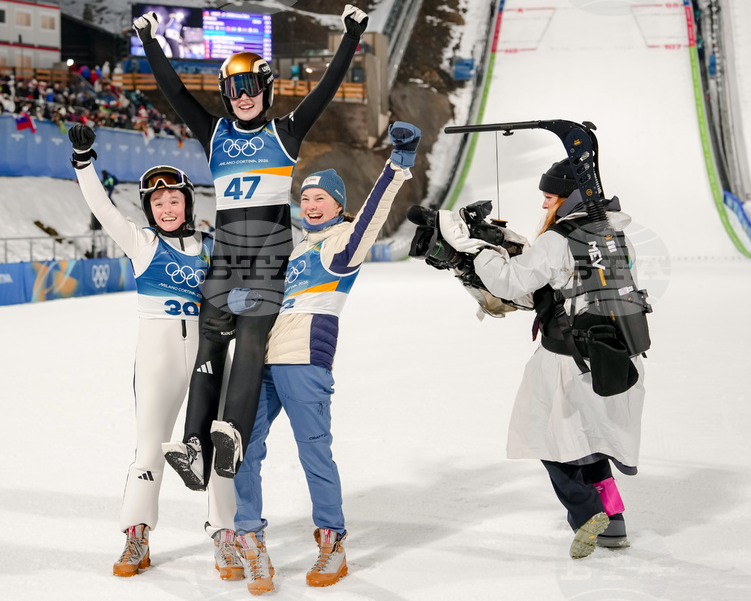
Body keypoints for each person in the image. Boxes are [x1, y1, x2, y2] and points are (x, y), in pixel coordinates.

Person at [133, 4, 370, 491]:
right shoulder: (214, 132)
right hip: (224, 258)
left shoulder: (285, 132)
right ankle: (196, 448)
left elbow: (324, 90)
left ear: (265, 90)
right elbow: (175, 92)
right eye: (233, 89)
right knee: (210, 342)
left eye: (251, 88)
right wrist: (152, 42)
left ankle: (233, 434)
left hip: (268, 258)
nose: (242, 97)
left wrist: (349, 37)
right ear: (225, 93)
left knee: (250, 347)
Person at [230, 122, 420, 595]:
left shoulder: (342, 245)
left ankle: (332, 541)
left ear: (338, 204)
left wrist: (398, 165)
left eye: (321, 198)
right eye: (307, 198)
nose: (312, 205)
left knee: (313, 451)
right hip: (268, 361)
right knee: (245, 448)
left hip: (306, 361)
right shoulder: (297, 250)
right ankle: (250, 536)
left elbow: (374, 215)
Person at [437, 158, 646, 559]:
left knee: (547, 436)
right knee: (591, 441)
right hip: (615, 352)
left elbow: (510, 281)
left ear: (571, 197)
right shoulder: (617, 235)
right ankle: (614, 521)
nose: (545, 206)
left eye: (550, 197)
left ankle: (587, 515)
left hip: (567, 357)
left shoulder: (560, 238)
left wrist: (479, 248)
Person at [67, 124, 243, 580]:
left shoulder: (210, 246)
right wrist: (85, 162)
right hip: (158, 357)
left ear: (187, 203)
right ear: (149, 208)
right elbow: (102, 209)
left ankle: (225, 535)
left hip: (208, 354)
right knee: (149, 450)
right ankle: (137, 535)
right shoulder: (142, 244)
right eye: (158, 203)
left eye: (174, 200)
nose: (167, 208)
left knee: (219, 446)